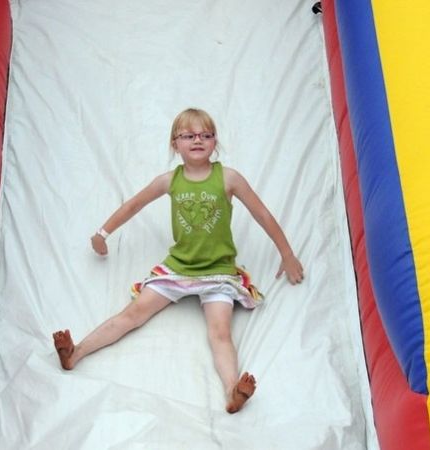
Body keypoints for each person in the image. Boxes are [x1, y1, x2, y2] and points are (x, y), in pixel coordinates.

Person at [53, 108, 304, 413]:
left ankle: (232, 391)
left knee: (220, 332)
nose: (198, 140)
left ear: (215, 142)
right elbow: (134, 205)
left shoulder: (229, 178)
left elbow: (262, 214)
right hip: (178, 268)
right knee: (131, 315)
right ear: (175, 144)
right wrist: (101, 234)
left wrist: (287, 254)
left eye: (206, 135)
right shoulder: (168, 181)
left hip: (218, 273)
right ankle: (75, 353)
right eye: (189, 136)